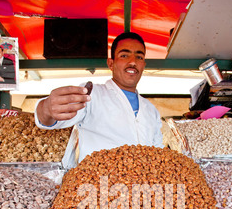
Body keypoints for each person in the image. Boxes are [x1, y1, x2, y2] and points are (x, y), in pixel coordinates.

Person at [35, 32, 164, 163]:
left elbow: (159, 153)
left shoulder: (151, 110)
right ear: (111, 64)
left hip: (143, 183)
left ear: (144, 65)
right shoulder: (92, 94)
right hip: (99, 181)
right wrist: (46, 108)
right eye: (124, 55)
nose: (133, 62)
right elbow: (53, 119)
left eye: (139, 57)